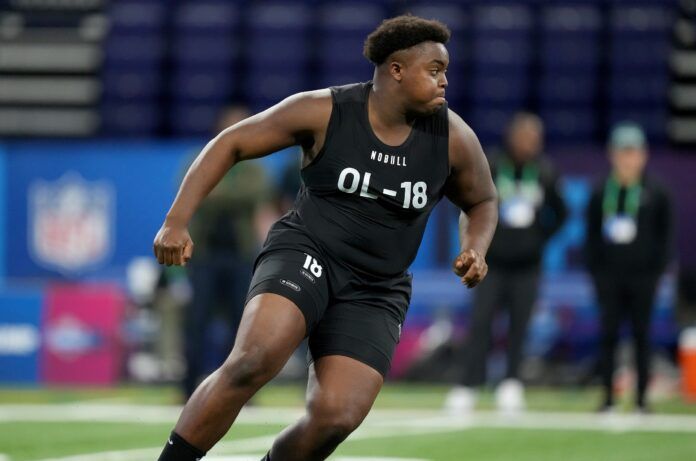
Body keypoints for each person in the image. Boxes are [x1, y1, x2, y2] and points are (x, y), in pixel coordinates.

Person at [153, 15, 497, 461]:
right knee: (254, 358)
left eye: (445, 71)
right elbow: (231, 143)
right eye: (434, 70)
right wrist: (176, 220)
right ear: (396, 70)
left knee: (337, 415)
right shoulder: (326, 110)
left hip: (378, 287)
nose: (444, 82)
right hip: (308, 253)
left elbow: (483, 200)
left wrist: (475, 247)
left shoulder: (452, 136)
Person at [445, 113, 567, 413]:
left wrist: (537, 238)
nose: (530, 144)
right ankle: (468, 385)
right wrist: (477, 243)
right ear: (512, 136)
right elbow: (464, 202)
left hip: (527, 266)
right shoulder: (492, 165)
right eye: (525, 137)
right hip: (492, 264)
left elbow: (561, 213)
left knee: (519, 325)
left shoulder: (545, 172)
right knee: (481, 323)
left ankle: (511, 383)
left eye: (535, 138)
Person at [181, 106, 273, 399]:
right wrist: (216, 194)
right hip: (205, 254)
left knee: (242, 326)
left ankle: (240, 391)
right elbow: (195, 192)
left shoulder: (254, 164)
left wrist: (215, 191)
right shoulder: (201, 157)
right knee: (197, 321)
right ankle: (187, 389)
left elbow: (254, 195)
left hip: (241, 254)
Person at [585, 122, 674, 413]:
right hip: (609, 276)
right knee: (608, 335)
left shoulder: (656, 191)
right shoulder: (601, 191)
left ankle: (641, 400)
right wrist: (597, 275)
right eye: (623, 153)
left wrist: (656, 273)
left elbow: (665, 236)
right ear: (613, 154)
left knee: (641, 336)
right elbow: (591, 237)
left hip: (643, 277)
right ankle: (608, 398)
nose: (628, 159)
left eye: (633, 152)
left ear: (643, 155)